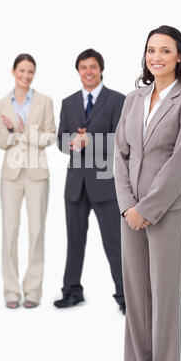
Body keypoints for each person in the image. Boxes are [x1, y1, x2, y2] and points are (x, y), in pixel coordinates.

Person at [114, 25, 181, 361]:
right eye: (151, 50)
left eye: (165, 51)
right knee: (136, 301)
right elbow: (119, 156)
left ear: (179, 56)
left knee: (165, 302)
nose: (156, 57)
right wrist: (127, 207)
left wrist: (147, 209)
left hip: (167, 211)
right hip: (129, 212)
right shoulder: (133, 99)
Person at [54, 49, 126, 313]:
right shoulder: (68, 102)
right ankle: (72, 292)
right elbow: (60, 140)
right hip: (75, 185)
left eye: (92, 67)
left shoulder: (117, 100)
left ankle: (126, 297)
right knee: (74, 241)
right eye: (83, 67)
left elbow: (122, 141)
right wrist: (72, 142)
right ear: (78, 71)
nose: (88, 71)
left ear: (101, 69)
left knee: (115, 243)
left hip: (105, 184)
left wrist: (90, 141)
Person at [0, 54, 56, 309]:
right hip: (10, 174)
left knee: (36, 231)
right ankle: (10, 291)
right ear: (13, 71)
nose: (26, 75)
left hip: (37, 174)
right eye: (22, 70)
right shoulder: (0, 105)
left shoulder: (44, 101)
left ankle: (32, 290)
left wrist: (22, 131)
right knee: (9, 231)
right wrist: (12, 135)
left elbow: (51, 135)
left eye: (30, 71)